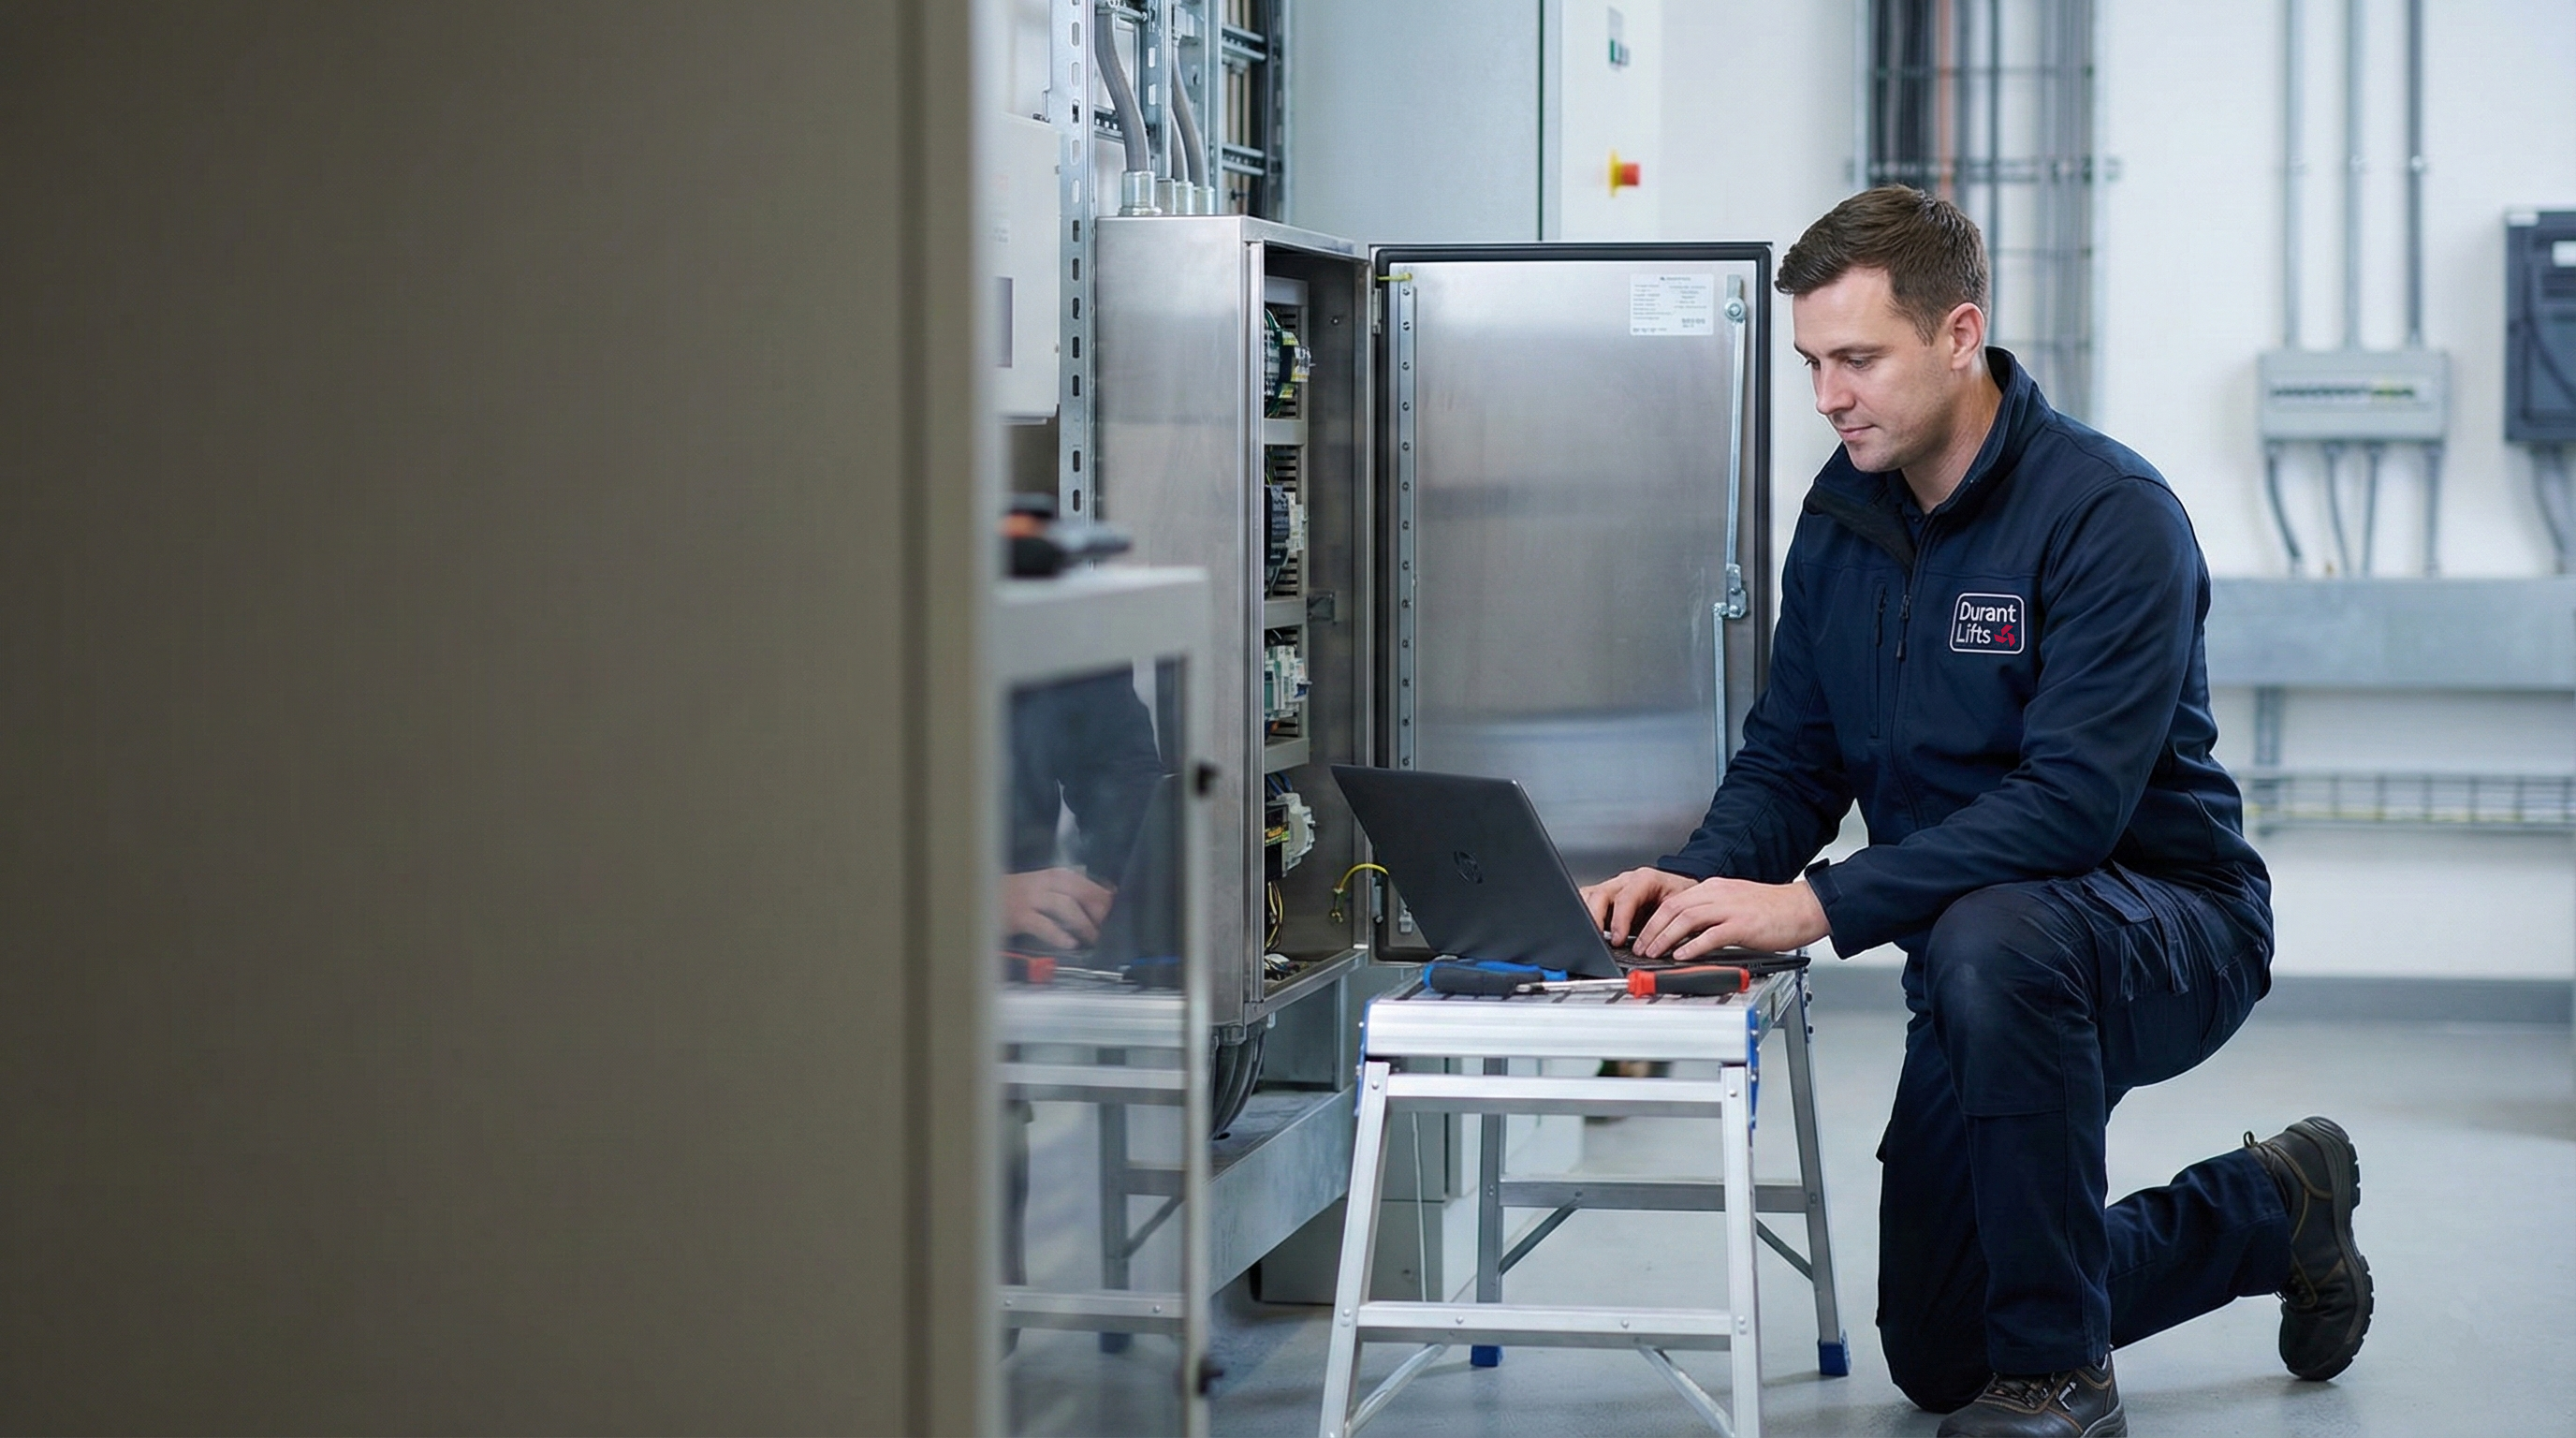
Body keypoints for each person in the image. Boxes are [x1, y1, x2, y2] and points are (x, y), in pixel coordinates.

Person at [1581, 186, 2369, 1438]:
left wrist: (1819, 905)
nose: (1829, 396)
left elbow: (2068, 812)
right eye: (1812, 365)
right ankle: (2275, 1207)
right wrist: (1692, 885)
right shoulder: (1841, 522)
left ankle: (2064, 1381)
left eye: (1857, 360)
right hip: (1973, 962)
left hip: (2167, 926)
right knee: (1946, 1349)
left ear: (1959, 335)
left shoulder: (2109, 516)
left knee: (1999, 934)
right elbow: (1792, 761)